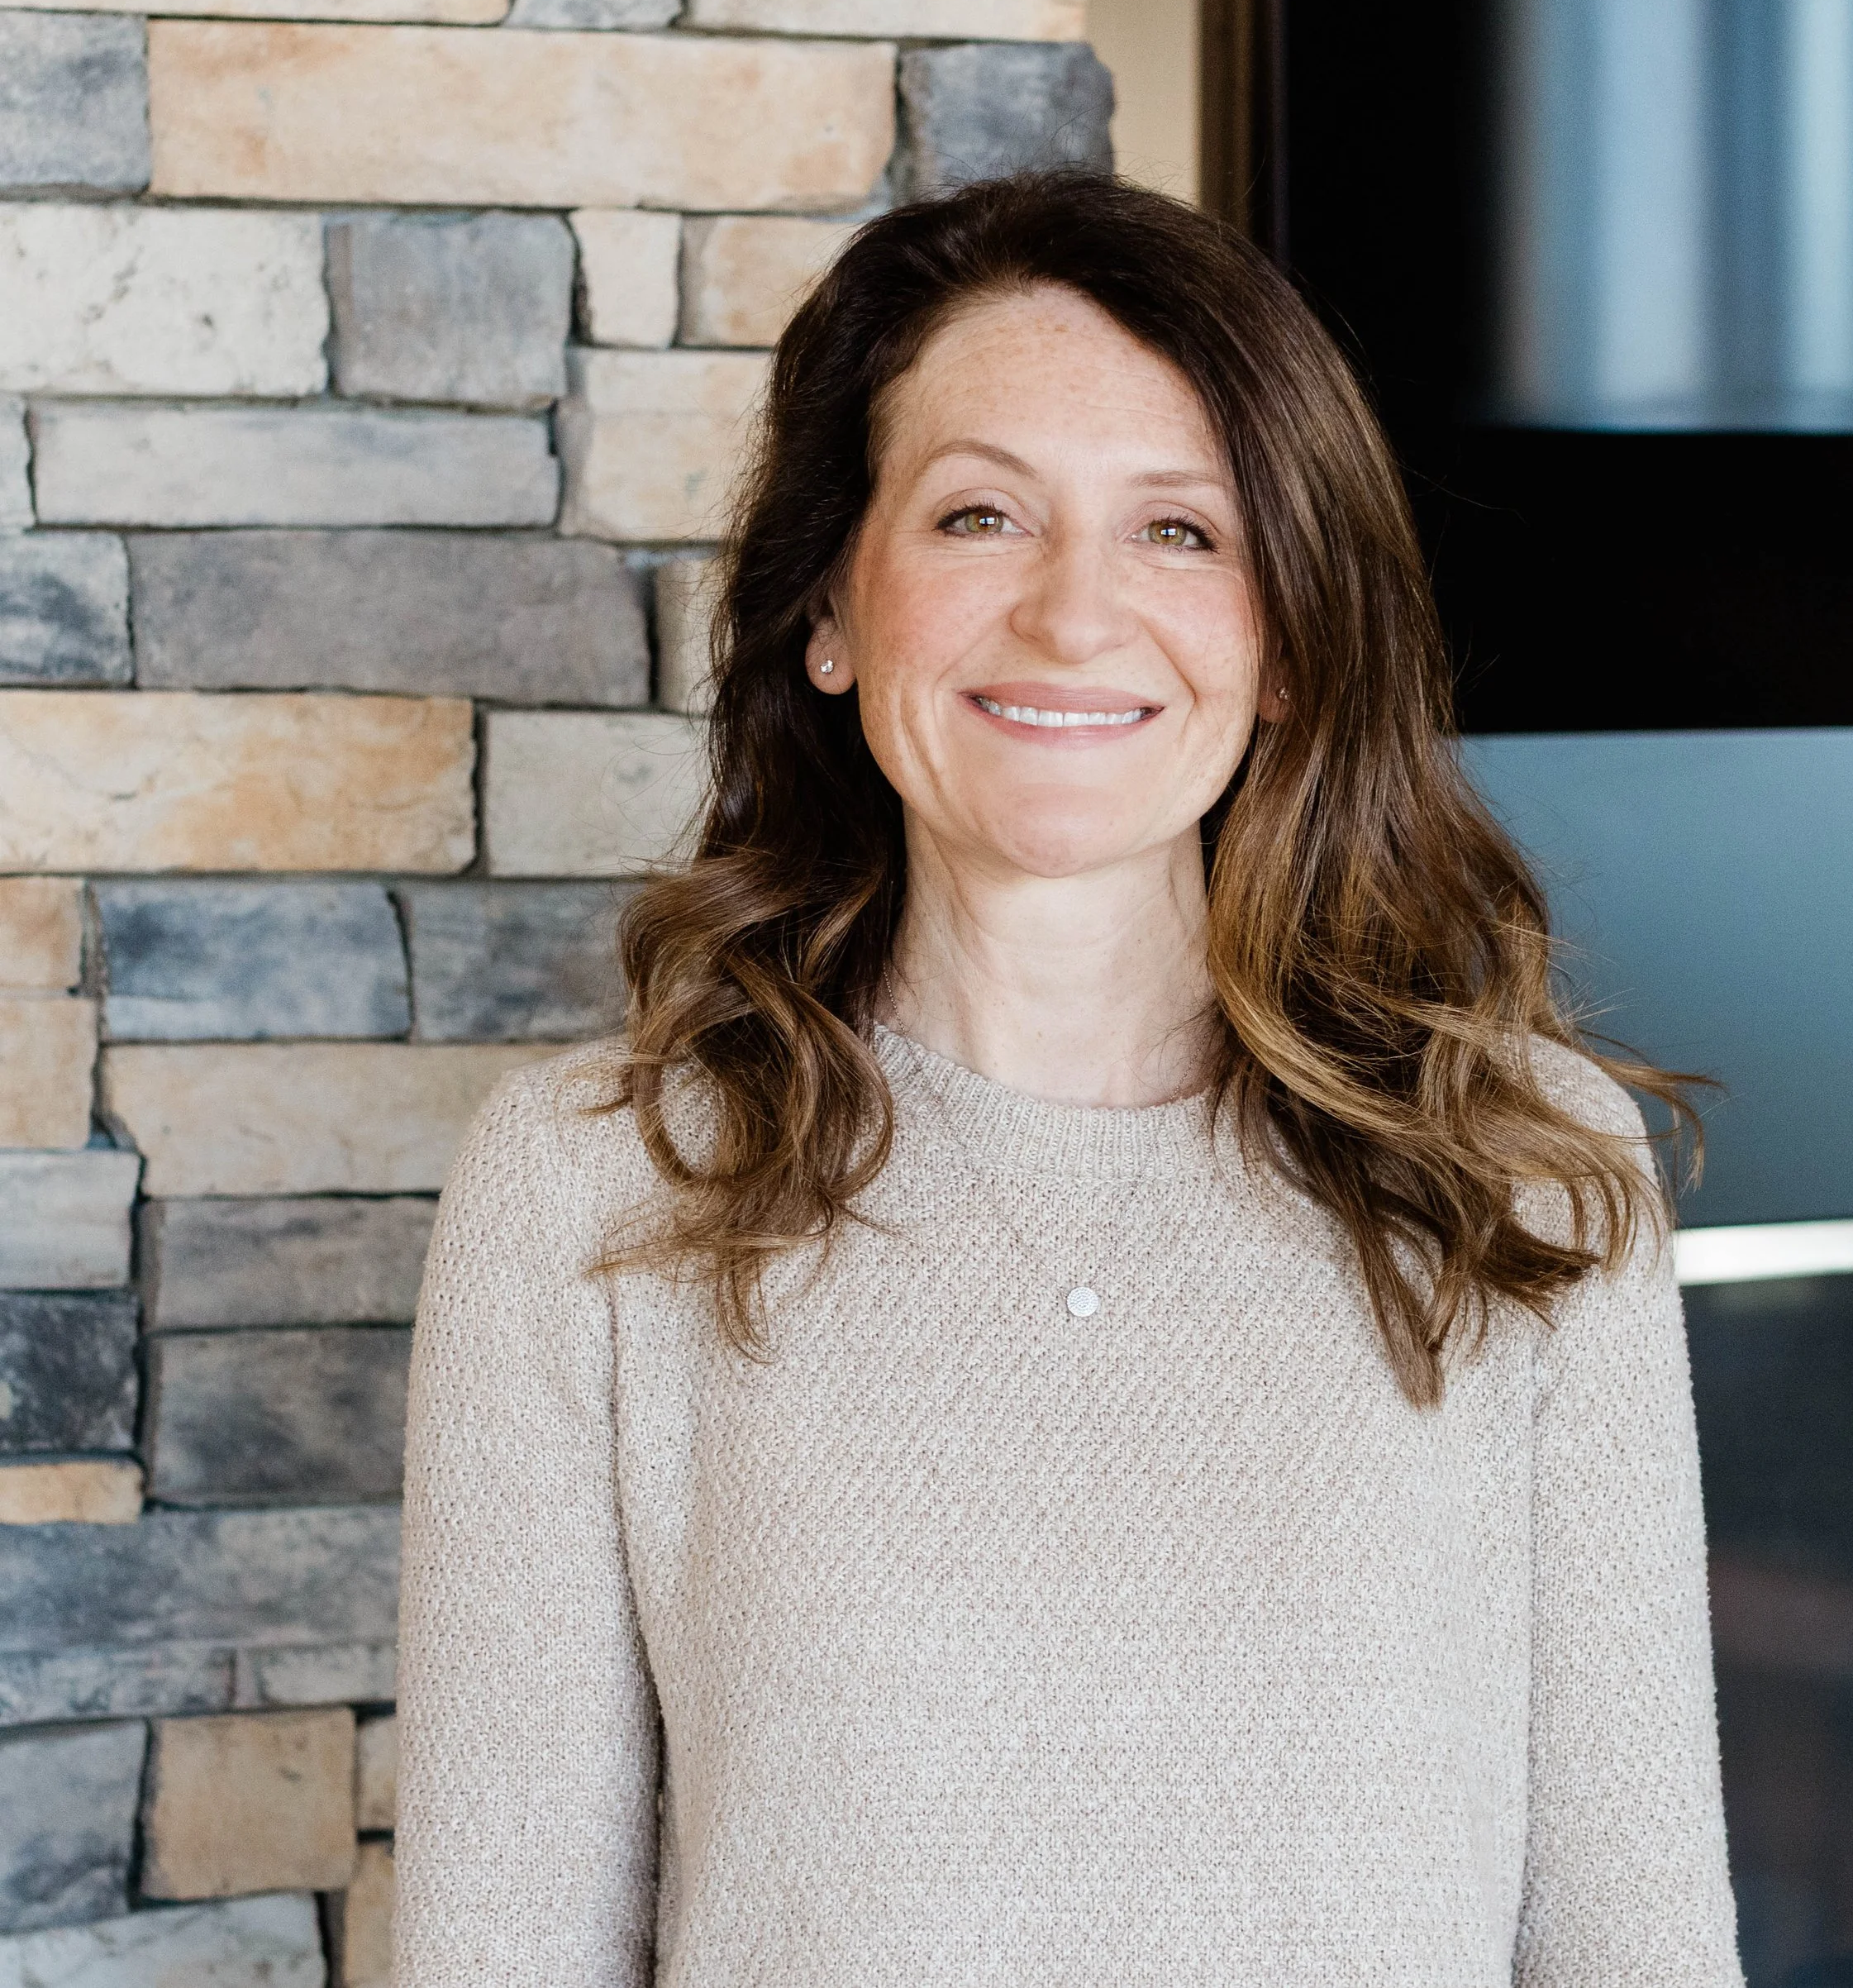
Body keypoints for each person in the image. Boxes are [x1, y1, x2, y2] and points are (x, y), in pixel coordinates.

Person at [393, 170, 1742, 1986]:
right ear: (831, 610)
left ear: (1286, 645)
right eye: (976, 515)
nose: (1071, 614)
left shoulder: (1517, 1169)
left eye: (1179, 532)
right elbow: (502, 1949)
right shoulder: (589, 1184)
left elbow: (1636, 1937)